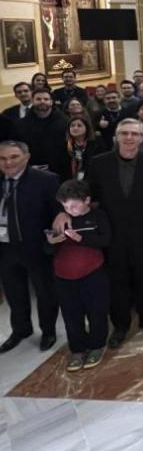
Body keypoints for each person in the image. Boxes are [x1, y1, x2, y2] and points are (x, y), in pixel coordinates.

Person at [56, 119, 143, 349]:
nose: (129, 138)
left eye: (134, 134)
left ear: (142, 137)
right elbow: (84, 193)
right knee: (117, 281)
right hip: (111, 233)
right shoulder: (99, 163)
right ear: (116, 137)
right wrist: (63, 211)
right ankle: (121, 325)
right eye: (124, 133)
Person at [0, 141, 60, 353]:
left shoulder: (46, 180)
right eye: (3, 158)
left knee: (45, 293)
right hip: (5, 248)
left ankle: (48, 331)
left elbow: (57, 215)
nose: (8, 162)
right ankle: (21, 330)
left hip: (36, 247)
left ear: (26, 157)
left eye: (14, 157)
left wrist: (51, 243)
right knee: (14, 293)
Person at [46, 180, 111, 371]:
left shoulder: (98, 216)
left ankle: (97, 345)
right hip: (64, 275)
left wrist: (81, 238)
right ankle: (77, 349)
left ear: (87, 201)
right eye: (65, 206)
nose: (70, 209)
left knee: (96, 311)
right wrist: (53, 242)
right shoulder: (60, 219)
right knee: (71, 314)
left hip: (92, 272)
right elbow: (46, 249)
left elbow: (106, 240)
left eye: (74, 205)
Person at [15, 88, 68, 170]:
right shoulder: (20, 124)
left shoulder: (65, 122)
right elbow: (18, 148)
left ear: (51, 102)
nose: (42, 101)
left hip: (59, 169)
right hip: (30, 169)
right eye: (38, 99)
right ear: (32, 101)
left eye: (46, 99)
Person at [53, 117, 105, 181]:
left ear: (87, 128)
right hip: (68, 182)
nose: (75, 128)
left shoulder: (96, 144)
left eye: (79, 125)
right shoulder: (63, 146)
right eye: (72, 126)